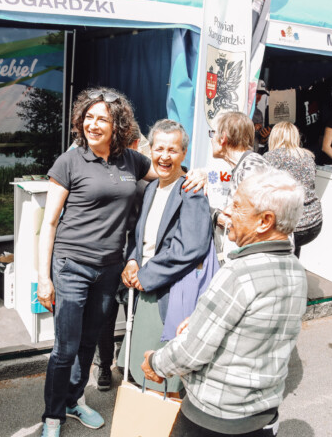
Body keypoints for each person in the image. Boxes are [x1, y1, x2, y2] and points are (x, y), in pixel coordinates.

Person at [36, 88, 204, 436]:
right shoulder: (68, 162)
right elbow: (49, 223)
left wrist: (197, 174)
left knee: (88, 344)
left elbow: (166, 170)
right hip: (71, 265)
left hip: (109, 268)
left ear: (117, 125)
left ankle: (73, 400)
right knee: (65, 347)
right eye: (89, 117)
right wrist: (43, 277)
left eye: (103, 119)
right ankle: (52, 415)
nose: (93, 125)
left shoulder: (132, 160)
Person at [141, 168, 307, 437]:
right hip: (262, 414)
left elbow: (192, 351)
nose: (227, 211)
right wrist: (199, 321)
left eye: (238, 206)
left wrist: (155, 363)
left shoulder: (238, 274)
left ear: (265, 221)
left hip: (215, 418)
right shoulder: (295, 269)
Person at [119, 119, 213, 394]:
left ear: (184, 154)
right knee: (144, 368)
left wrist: (145, 275)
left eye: (172, 150)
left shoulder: (191, 190)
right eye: (159, 149)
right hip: (146, 285)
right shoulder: (150, 189)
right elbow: (141, 236)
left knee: (165, 375)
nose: (164, 156)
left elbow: (191, 247)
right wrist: (133, 260)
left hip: (169, 292)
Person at [93, 120, 147, 391]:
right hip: (132, 256)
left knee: (106, 314)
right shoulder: (144, 183)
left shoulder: (108, 176)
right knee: (132, 314)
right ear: (137, 145)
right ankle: (127, 365)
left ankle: (106, 366)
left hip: (112, 254)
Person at [264, 122, 323, 257]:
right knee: (293, 249)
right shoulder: (308, 157)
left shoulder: (270, 157)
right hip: (313, 222)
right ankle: (292, 269)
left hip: (289, 225)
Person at [209, 111, 272, 237]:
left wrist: (217, 217)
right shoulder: (248, 165)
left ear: (223, 138)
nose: (211, 139)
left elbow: (254, 225)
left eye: (213, 133)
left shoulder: (250, 170)